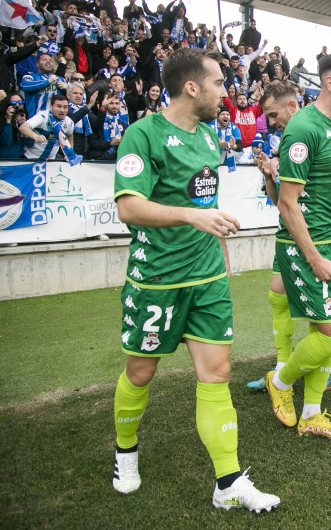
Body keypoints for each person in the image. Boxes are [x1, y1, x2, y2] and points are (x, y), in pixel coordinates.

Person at [110, 48, 279, 512]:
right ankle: (125, 452)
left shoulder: (208, 138)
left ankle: (228, 483)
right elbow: (129, 207)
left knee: (217, 375)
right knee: (140, 373)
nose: (226, 92)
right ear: (191, 87)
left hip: (207, 280)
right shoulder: (142, 135)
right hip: (158, 282)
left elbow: (205, 214)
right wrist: (191, 216)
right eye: (219, 84)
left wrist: (218, 253)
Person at [262, 53, 331, 439]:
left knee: (322, 333)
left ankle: (311, 415)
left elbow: (327, 180)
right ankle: (281, 380)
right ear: (330, 83)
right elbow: (287, 203)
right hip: (309, 247)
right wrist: (314, 257)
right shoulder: (303, 129)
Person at [245, 80, 331, 395]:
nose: (270, 121)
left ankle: (324, 369)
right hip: (290, 234)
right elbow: (278, 197)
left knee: (320, 311)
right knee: (279, 298)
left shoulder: (318, 131)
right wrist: (269, 175)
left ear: (292, 106)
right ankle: (283, 367)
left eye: (273, 113)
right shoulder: (291, 140)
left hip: (317, 237)